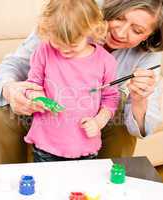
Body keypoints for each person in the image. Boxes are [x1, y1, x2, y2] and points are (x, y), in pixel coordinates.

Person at [0, 0, 163, 163]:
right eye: (119, 18)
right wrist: (11, 90)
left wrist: (139, 100)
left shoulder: (144, 57)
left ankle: (110, 187)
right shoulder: (72, 16)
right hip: (44, 109)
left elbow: (137, 124)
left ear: (149, 35)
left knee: (121, 116)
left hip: (93, 118)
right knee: (2, 118)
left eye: (137, 30)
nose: (120, 32)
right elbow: (16, 65)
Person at [23, 0, 119, 162]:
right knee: (48, 186)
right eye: (58, 43)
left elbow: (111, 99)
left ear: (91, 30)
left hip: (85, 146)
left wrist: (98, 122)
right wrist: (37, 98)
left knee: (82, 187)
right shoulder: (44, 50)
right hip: (46, 143)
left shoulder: (106, 61)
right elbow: (33, 85)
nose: (65, 49)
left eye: (73, 44)